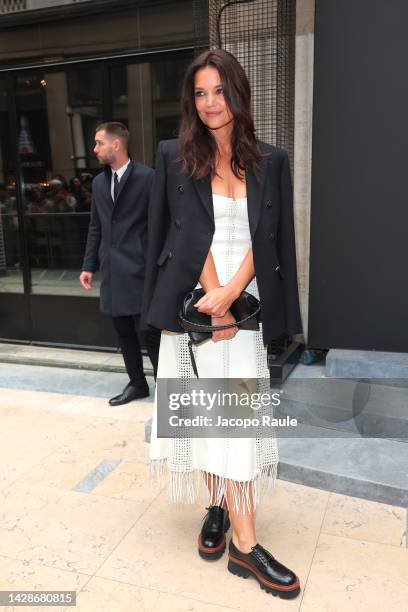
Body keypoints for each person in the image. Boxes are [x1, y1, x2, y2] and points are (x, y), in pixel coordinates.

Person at [142, 50, 302, 599]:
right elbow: (183, 231)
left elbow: (271, 236)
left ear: (239, 92)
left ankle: (239, 538)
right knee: (212, 424)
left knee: (234, 426)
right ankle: (235, 530)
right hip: (195, 305)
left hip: (246, 306)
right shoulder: (173, 155)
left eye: (219, 90)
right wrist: (214, 298)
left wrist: (234, 297)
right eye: (200, 93)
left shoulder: (271, 160)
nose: (210, 103)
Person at [80, 122, 160, 405]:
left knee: (149, 334)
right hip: (112, 272)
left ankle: (168, 388)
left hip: (141, 271)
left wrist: (157, 266)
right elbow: (95, 226)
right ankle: (137, 384)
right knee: (123, 332)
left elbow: (160, 225)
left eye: (99, 143)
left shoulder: (149, 177)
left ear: (116, 145)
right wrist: (88, 265)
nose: (95, 149)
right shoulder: (99, 182)